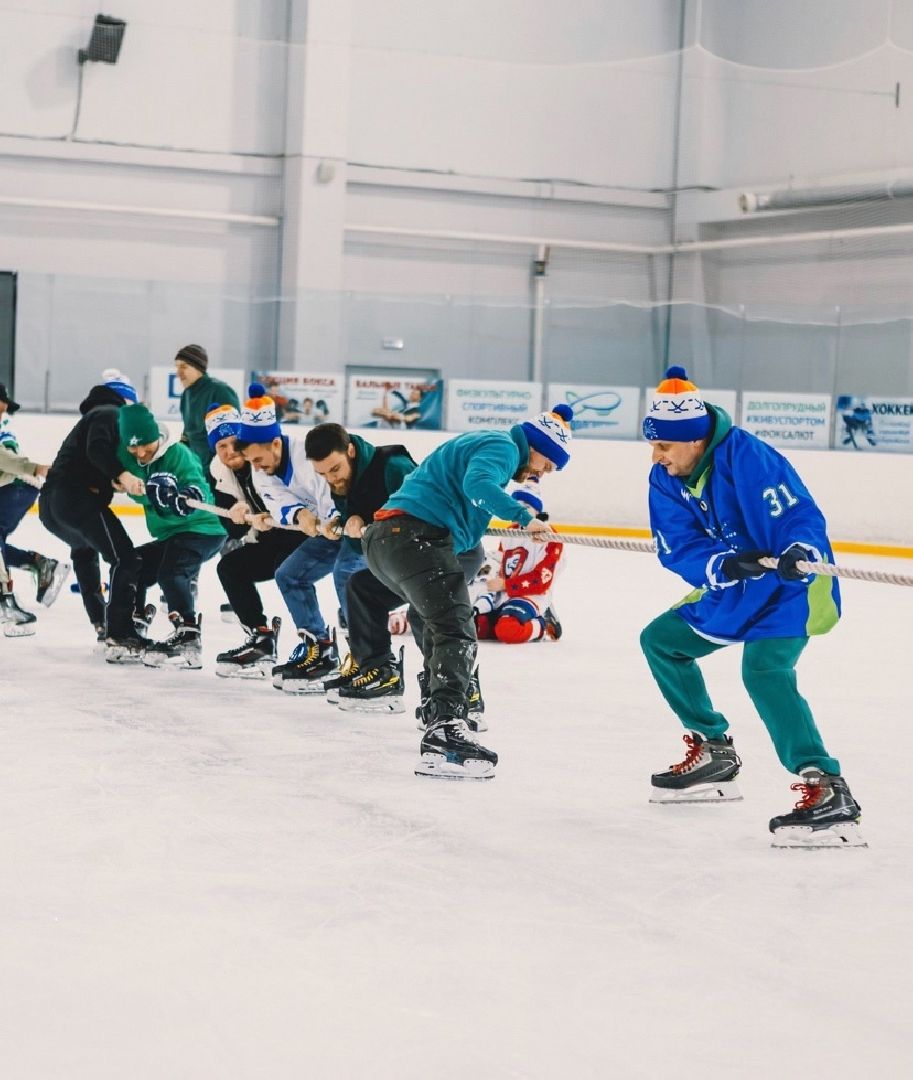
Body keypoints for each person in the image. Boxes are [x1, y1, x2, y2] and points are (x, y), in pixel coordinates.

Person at [639, 366, 863, 848]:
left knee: (764, 670)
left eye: (664, 446)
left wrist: (799, 549)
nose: (656, 457)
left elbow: (797, 513)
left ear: (695, 440)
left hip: (790, 589)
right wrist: (722, 565)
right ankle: (713, 750)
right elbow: (676, 545)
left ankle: (827, 788)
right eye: (654, 447)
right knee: (662, 641)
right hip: (735, 590)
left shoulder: (748, 456)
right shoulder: (665, 479)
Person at [361, 403, 574, 780]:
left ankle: (435, 704)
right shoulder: (504, 448)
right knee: (456, 627)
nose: (543, 473)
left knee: (435, 617)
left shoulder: (482, 443)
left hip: (386, 542)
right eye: (549, 464)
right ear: (537, 447)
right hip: (415, 537)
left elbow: (462, 508)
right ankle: (446, 729)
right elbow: (478, 486)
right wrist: (527, 518)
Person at [233, 385, 366, 691]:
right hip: (326, 531)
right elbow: (276, 502)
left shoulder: (307, 455)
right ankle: (319, 648)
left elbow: (334, 488)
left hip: (353, 523)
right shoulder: (261, 471)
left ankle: (368, 658)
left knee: (346, 575)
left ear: (276, 443)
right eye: (252, 462)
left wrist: (331, 518)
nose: (257, 467)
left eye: (258, 459)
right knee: (288, 575)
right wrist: (299, 516)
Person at [302, 421, 418, 708]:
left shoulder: (394, 466)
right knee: (359, 587)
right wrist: (345, 522)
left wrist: (369, 521)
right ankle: (375, 668)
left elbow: (419, 515)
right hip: (395, 559)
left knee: (426, 619)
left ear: (350, 451)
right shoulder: (341, 482)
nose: (331, 479)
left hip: (429, 555)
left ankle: (454, 693)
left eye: (335, 469)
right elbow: (357, 542)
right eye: (323, 474)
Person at [38, 370, 146, 654]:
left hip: (51, 507)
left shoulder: (93, 414)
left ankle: (100, 620)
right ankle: (120, 632)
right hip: (76, 499)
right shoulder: (110, 412)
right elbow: (97, 449)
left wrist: (109, 481)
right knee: (126, 558)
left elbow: (89, 458)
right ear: (127, 400)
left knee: (85, 551)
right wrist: (121, 475)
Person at [116, 403, 225, 668]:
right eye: (134, 448)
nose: (141, 453)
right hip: (171, 534)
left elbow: (195, 483)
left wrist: (186, 495)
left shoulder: (178, 453)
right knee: (134, 564)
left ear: (156, 436)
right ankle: (136, 622)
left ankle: (187, 634)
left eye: (146, 445)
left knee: (171, 572)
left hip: (202, 529)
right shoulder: (126, 459)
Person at [204, 403, 302, 678]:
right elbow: (232, 530)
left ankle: (317, 645)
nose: (229, 451)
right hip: (270, 539)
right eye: (221, 446)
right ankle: (261, 638)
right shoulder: (220, 472)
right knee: (230, 567)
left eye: (234, 442)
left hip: (300, 536)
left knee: (290, 574)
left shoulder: (263, 459)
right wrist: (237, 513)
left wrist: (264, 513)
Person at [0, 383, 69, 625]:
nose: (3, 413)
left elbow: (7, 457)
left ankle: (4, 599)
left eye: (4, 409)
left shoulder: (3, 431)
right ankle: (40, 564)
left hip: (16, 486)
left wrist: (33, 468)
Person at [473, 487, 564, 644]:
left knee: (508, 630)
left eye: (526, 507)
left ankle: (542, 623)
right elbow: (502, 564)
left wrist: (505, 585)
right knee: (476, 627)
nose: (520, 511)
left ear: (537, 511)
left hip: (532, 595)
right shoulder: (511, 533)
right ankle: (508, 618)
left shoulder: (550, 536)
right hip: (505, 594)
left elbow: (542, 580)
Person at [173, 344, 240, 468]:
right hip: (197, 470)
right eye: (177, 367)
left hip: (218, 472)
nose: (178, 373)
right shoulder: (186, 395)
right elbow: (188, 434)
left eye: (184, 367)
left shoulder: (220, 391)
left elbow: (233, 436)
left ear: (198, 368)